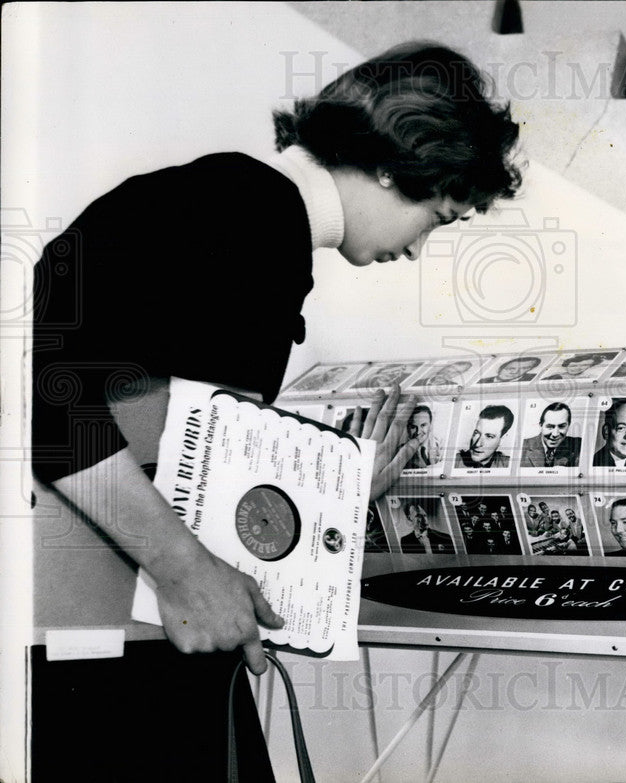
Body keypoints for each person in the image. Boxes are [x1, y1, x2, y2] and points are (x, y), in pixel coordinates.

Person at [31, 41, 520, 781]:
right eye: (435, 217)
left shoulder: (248, 212)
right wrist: (183, 569)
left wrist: (340, 495)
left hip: (133, 633)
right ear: (396, 165)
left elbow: (182, 453)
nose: (419, 249)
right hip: (110, 645)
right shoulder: (245, 211)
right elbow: (46, 400)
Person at [521, 402, 582, 468]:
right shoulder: (522, 447)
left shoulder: (579, 446)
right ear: (541, 425)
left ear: (568, 425)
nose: (555, 434)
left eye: (561, 426)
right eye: (550, 426)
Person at [403, 405, 444, 469]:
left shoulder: (441, 448)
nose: (418, 432)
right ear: (408, 428)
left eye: (423, 425)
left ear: (431, 426)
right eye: (413, 427)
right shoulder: (400, 453)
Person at [542, 352, 611, 380]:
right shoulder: (556, 376)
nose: (578, 368)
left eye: (585, 365)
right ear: (566, 365)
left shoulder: (589, 376)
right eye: (573, 366)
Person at [478, 355, 542, 383]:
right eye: (510, 368)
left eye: (524, 368)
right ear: (500, 367)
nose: (515, 372)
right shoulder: (482, 381)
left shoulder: (537, 379)